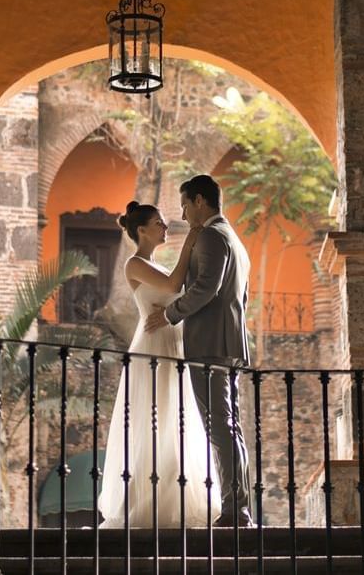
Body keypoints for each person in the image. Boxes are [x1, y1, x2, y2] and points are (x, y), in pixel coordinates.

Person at [96, 202, 217, 528]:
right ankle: (143, 503)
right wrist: (191, 240)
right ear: (142, 231)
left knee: (172, 424)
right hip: (151, 349)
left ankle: (173, 499)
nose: (165, 228)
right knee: (153, 424)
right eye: (159, 223)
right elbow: (174, 286)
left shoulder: (156, 265)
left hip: (171, 346)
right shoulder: (134, 264)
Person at [144, 174, 254, 527]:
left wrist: (170, 315)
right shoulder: (233, 238)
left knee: (219, 426)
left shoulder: (210, 235)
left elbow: (207, 286)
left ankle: (236, 509)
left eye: (186, 204)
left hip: (209, 345)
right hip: (229, 343)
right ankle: (239, 505)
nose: (184, 212)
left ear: (200, 201)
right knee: (228, 425)